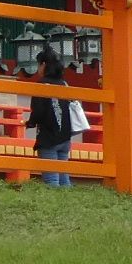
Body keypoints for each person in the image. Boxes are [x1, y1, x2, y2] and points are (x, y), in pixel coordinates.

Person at [28, 53, 82, 188]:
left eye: (38, 65)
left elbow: (38, 111)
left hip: (48, 136)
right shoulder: (64, 84)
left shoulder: (41, 84)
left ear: (44, 65)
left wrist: (30, 123)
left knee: (52, 180)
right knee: (64, 179)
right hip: (65, 136)